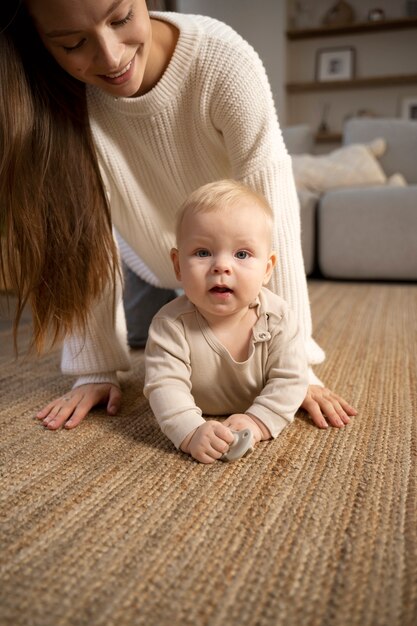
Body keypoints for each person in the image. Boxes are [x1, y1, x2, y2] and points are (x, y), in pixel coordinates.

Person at [0, 0, 357, 432]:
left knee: (227, 335)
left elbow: (272, 208)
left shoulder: (223, 60)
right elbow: (83, 229)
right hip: (145, 260)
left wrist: (294, 364)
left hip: (224, 256)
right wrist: (95, 368)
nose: (111, 58)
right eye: (74, 43)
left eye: (121, 19)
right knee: (151, 338)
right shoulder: (52, 92)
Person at [144, 180, 310, 463]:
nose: (221, 266)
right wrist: (190, 431)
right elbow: (164, 386)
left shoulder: (278, 318)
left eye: (242, 254)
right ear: (177, 266)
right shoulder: (169, 325)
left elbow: (291, 379)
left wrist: (258, 422)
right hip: (197, 410)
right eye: (203, 252)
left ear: (267, 269)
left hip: (255, 408)